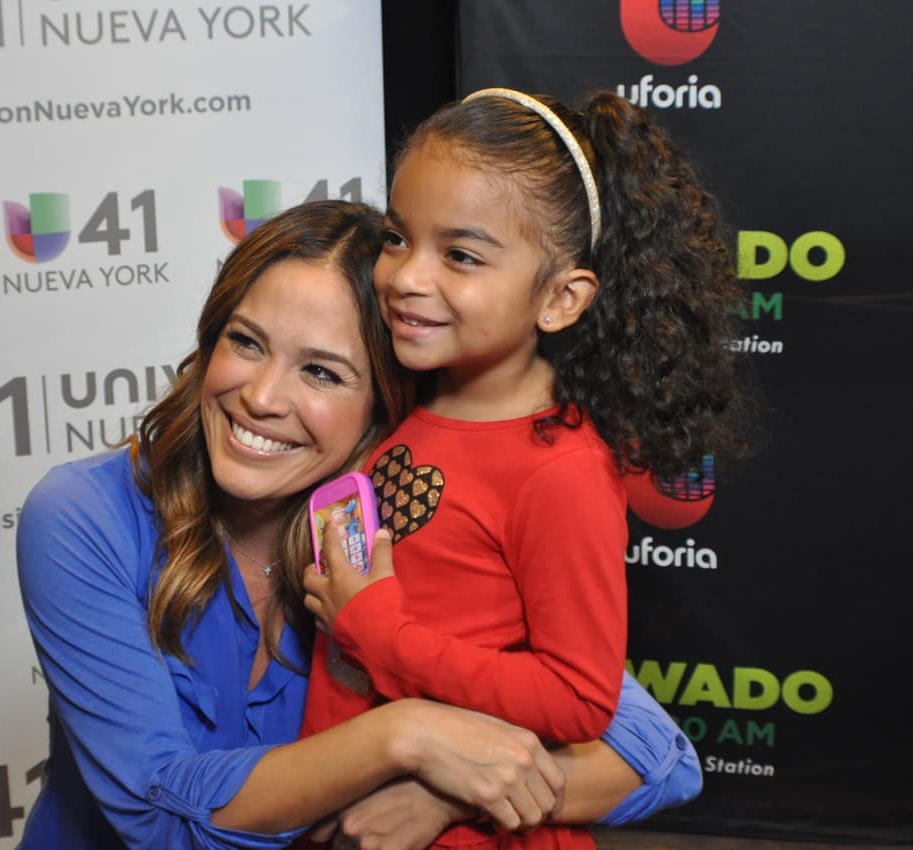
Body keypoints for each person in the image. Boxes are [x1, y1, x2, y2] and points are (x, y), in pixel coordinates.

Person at [17, 200, 699, 850]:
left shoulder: (399, 528)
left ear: (383, 408)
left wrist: (451, 795)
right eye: (246, 343)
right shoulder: (84, 516)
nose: (260, 398)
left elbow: (658, 754)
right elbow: (160, 817)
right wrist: (409, 737)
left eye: (321, 372)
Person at [302, 88, 752, 849]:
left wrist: (381, 631)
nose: (408, 277)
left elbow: (579, 700)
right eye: (397, 238)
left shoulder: (559, 471)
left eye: (462, 255)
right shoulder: (409, 396)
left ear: (561, 299)